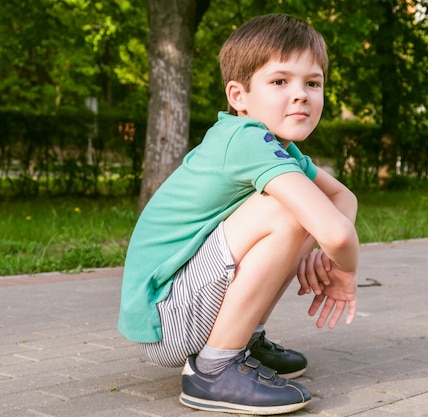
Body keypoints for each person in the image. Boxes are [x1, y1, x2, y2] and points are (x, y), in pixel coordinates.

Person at [118, 13, 359, 415]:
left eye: (312, 83)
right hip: (166, 319)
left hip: (180, 308)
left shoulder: (278, 148)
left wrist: (329, 246)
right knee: (288, 210)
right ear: (238, 96)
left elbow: (342, 197)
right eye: (280, 81)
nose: (300, 94)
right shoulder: (245, 141)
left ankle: (242, 341)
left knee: (302, 209)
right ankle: (213, 370)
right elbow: (336, 232)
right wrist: (344, 269)